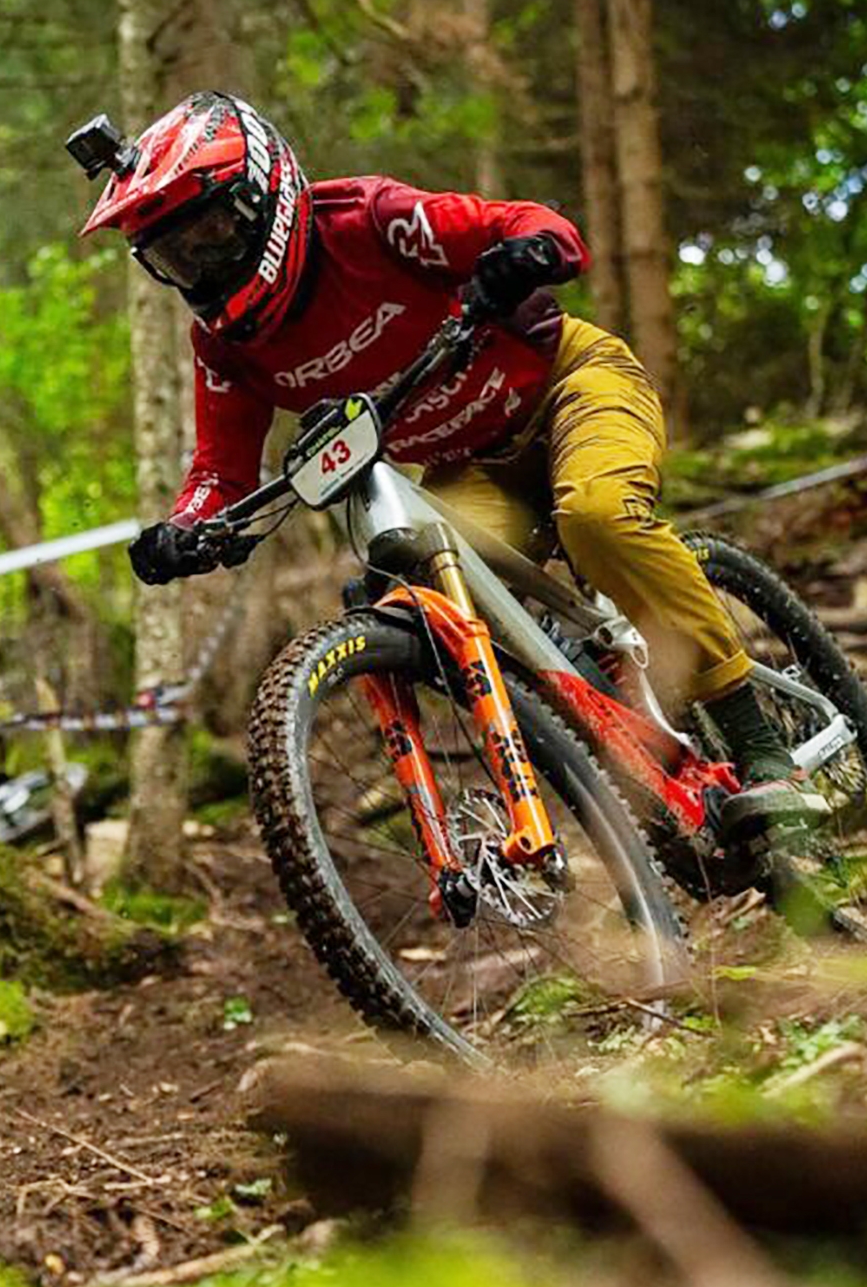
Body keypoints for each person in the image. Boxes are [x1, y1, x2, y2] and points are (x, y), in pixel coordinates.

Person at [75, 91, 824, 838]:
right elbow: (221, 473)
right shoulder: (225, 344)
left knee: (596, 516)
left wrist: (524, 256)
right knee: (437, 596)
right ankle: (637, 763)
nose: (202, 263)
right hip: (470, 467)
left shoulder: (369, 222)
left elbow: (535, 225)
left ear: (261, 193)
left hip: (567, 384)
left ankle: (761, 744)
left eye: (210, 234)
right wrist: (185, 531)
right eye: (178, 255)